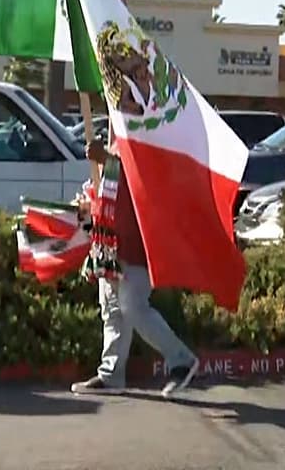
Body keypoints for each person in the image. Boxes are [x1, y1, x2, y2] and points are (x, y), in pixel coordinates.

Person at [71, 134, 199, 398]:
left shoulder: (146, 134)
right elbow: (109, 191)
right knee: (112, 309)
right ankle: (111, 374)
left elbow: (141, 178)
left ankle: (181, 360)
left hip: (137, 244)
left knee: (133, 307)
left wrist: (106, 159)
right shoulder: (116, 138)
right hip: (110, 242)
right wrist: (89, 203)